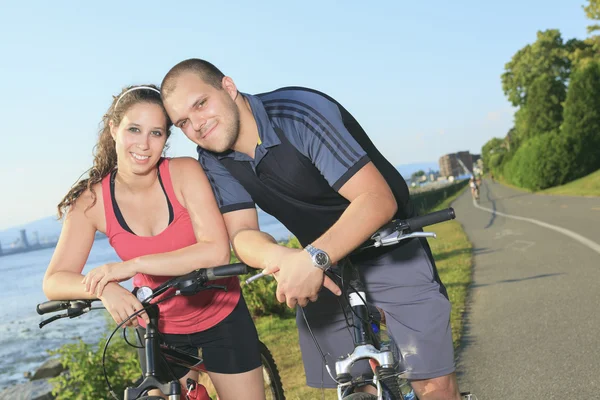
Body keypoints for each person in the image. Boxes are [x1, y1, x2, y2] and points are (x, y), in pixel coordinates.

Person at [160, 59, 462, 399]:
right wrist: (284, 259)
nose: (197, 125)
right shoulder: (213, 157)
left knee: (432, 383)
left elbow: (377, 199)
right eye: (183, 122)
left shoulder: (298, 113)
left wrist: (312, 258)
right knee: (352, 386)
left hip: (388, 244)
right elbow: (242, 234)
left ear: (228, 87)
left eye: (200, 104)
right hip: (321, 265)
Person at [42, 85, 265, 400]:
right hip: (158, 328)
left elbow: (215, 250)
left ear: (166, 138)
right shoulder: (92, 201)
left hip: (221, 315)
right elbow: (55, 279)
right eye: (134, 129)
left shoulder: (184, 172)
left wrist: (132, 266)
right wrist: (104, 288)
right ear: (113, 129)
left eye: (156, 133)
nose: (144, 144)